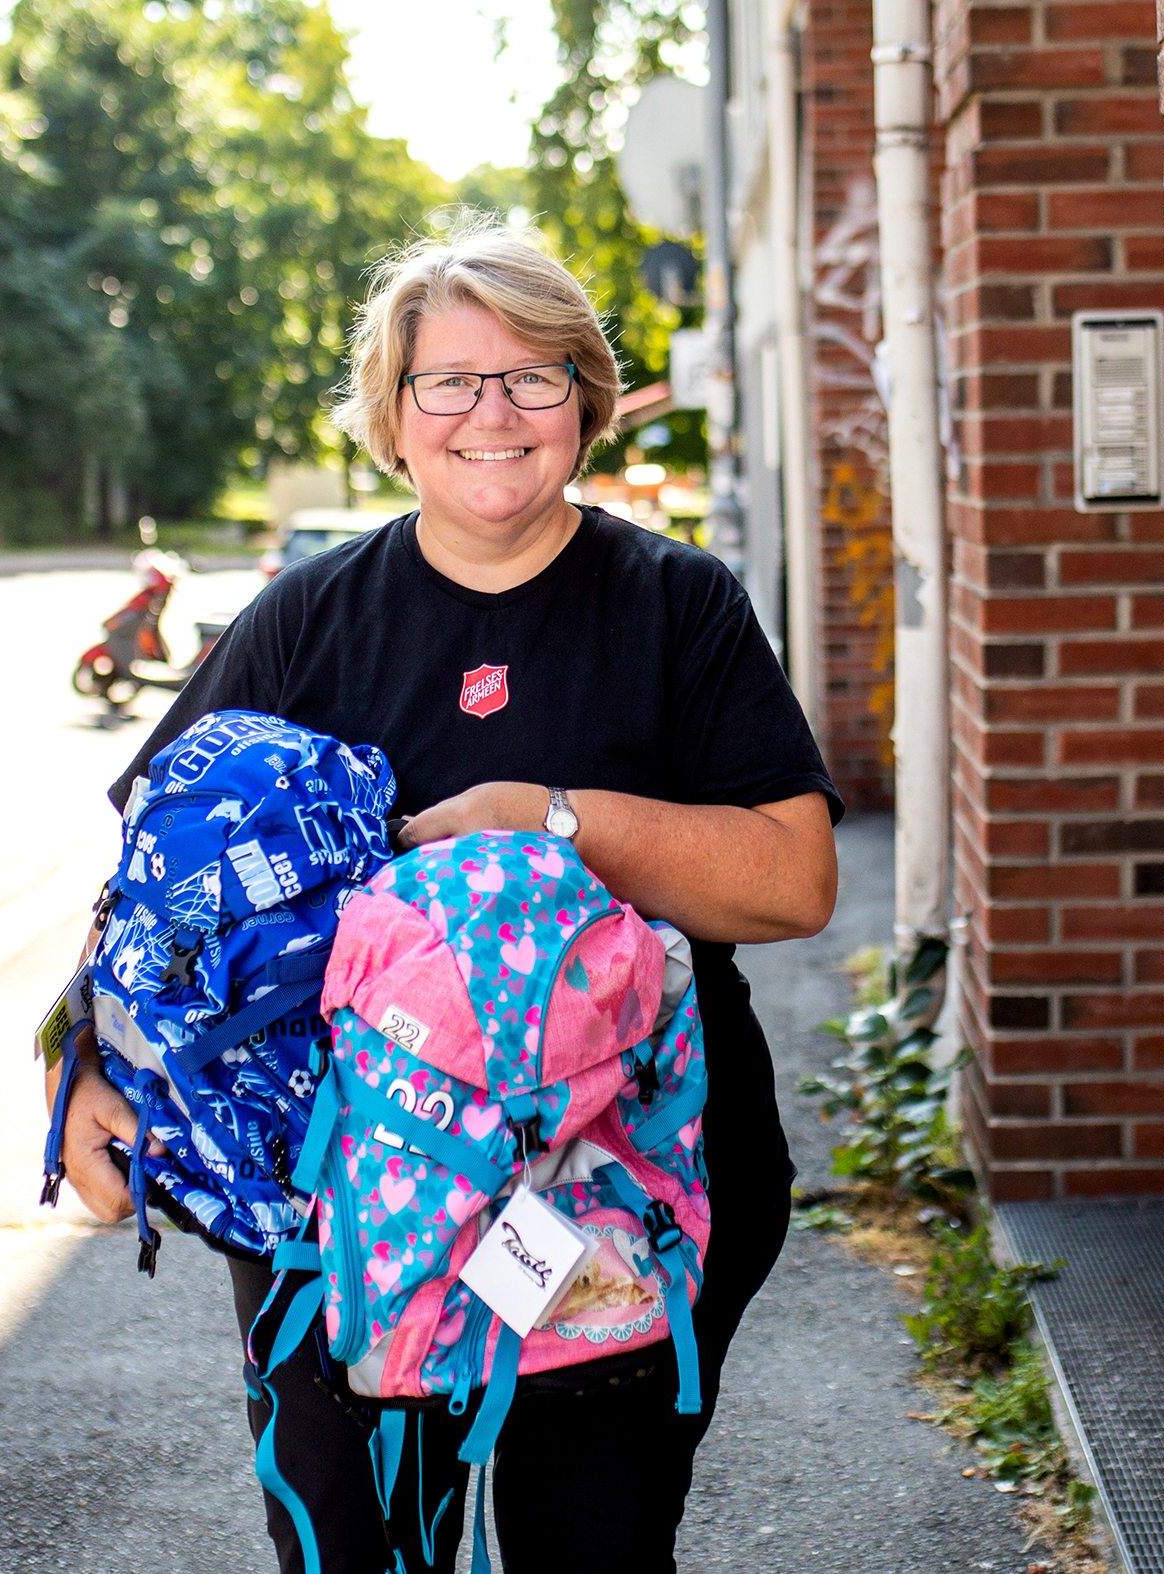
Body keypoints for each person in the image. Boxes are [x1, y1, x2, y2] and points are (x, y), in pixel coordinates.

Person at [47, 220, 841, 1572]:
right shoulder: (301, 622)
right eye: (448, 381)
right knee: (354, 1551)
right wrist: (83, 1063)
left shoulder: (678, 606)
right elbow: (158, 888)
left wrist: (551, 820)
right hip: (342, 1198)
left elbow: (794, 878)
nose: (492, 411)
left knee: (584, 1548)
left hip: (610, 1185)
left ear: (585, 403)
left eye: (532, 376)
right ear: (393, 417)